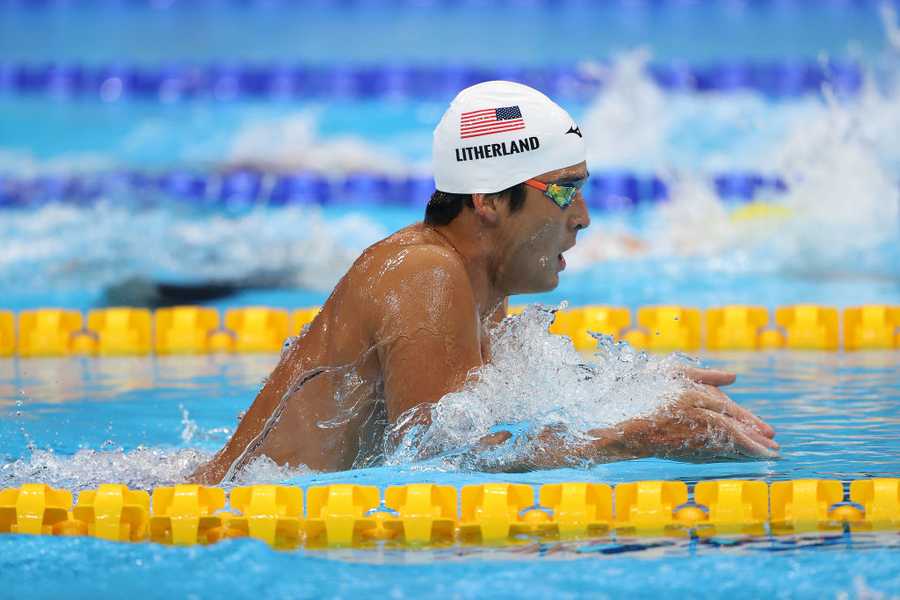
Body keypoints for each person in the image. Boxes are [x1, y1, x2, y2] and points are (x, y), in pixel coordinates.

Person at [191, 81, 777, 484]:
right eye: (565, 190)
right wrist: (633, 438)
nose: (584, 217)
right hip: (232, 524)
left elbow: (480, 412)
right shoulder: (427, 275)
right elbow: (436, 459)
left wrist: (638, 387)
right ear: (490, 200)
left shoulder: (476, 286)